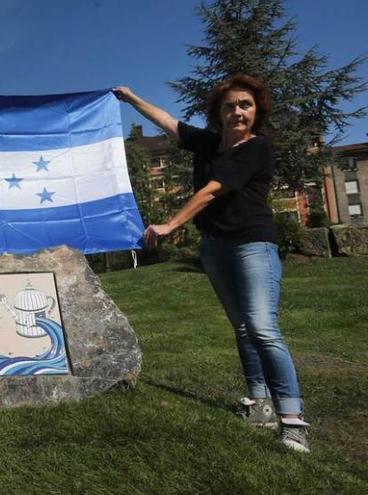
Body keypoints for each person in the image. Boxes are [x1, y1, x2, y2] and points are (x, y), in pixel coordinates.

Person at [113, 75, 310, 452]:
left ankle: (293, 420)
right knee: (241, 327)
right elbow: (168, 122)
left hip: (253, 245)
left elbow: (212, 191)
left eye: (245, 105)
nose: (238, 111)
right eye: (230, 105)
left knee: (262, 328)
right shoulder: (210, 143)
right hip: (216, 247)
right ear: (219, 113)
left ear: (256, 113)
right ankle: (260, 403)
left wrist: (170, 223)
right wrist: (132, 98)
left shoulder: (257, 149)